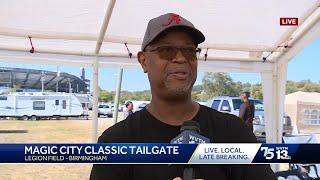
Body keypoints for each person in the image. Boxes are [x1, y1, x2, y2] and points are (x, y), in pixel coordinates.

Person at [90, 13, 276, 180]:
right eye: (166, 50)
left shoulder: (234, 132)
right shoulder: (116, 141)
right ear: (144, 60)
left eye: (189, 50)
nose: (180, 58)